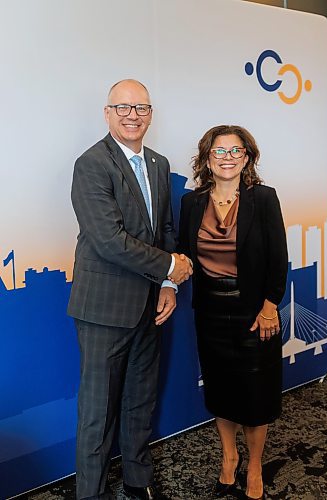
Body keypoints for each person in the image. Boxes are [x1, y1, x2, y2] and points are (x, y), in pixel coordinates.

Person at [68, 79, 192, 500]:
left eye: (140, 107)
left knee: (140, 403)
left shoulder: (158, 163)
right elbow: (108, 240)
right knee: (97, 413)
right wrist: (171, 265)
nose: (132, 115)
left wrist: (169, 284)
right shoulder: (91, 163)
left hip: (151, 307)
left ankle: (138, 483)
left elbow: (166, 231)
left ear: (150, 114)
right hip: (103, 309)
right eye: (122, 107)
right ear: (107, 113)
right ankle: (93, 493)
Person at [178, 125, 288, 500]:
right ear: (207, 157)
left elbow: (278, 258)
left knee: (256, 396)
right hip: (209, 312)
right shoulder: (191, 203)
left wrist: (271, 307)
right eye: (219, 151)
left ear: (247, 157)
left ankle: (254, 464)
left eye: (235, 151)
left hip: (255, 312)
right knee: (222, 391)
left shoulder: (264, 198)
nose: (227, 158)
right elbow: (184, 256)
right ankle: (229, 458)